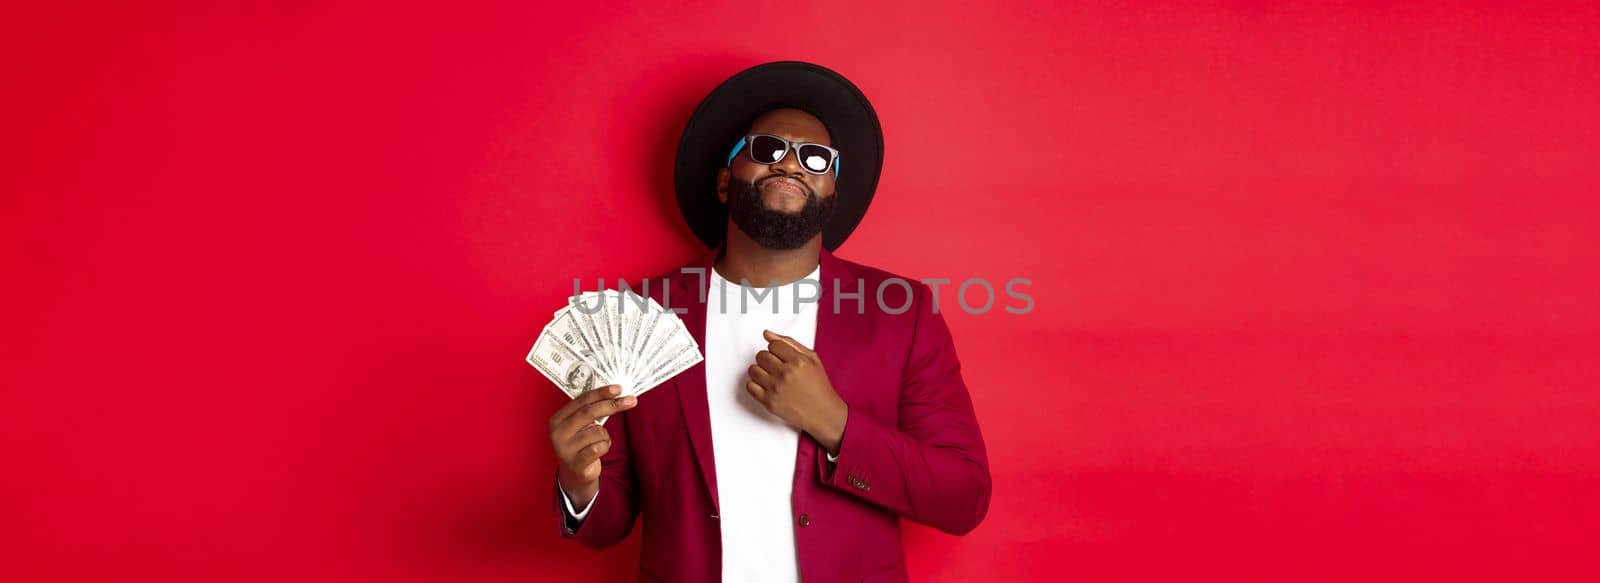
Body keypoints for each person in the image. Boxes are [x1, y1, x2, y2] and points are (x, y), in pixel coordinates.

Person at [546, 61, 991, 582]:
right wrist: (579, 484)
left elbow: (963, 496)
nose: (791, 165)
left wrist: (835, 424)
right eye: (766, 150)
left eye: (816, 158)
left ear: (832, 196)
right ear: (723, 181)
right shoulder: (639, 315)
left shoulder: (901, 313)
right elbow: (609, 523)